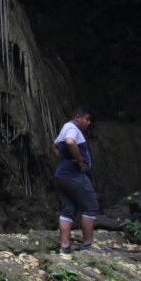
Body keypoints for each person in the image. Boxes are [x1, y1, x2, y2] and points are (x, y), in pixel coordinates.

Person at [53, 105, 98, 254]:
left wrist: (65, 159)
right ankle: (87, 246)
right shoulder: (73, 129)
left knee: (68, 209)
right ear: (78, 118)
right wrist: (79, 161)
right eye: (87, 119)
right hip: (74, 175)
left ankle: (65, 247)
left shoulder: (64, 128)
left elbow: (55, 145)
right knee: (90, 206)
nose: (89, 122)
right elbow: (70, 142)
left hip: (61, 175)